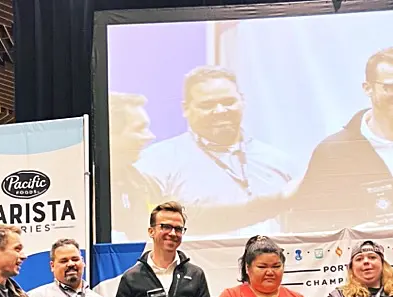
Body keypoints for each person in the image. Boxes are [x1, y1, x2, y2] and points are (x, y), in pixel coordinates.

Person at [136, 66, 295, 238]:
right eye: (207, 105)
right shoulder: (157, 161)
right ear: (186, 109)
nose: (220, 111)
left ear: (242, 101)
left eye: (228, 102)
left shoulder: (278, 160)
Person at [282, 47, 393, 233]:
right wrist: (350, 236)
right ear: (368, 88)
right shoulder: (334, 152)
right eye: (389, 87)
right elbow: (305, 223)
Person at [109, 92, 163, 242]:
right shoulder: (82, 185)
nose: (150, 136)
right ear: (110, 132)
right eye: (140, 129)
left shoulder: (145, 184)